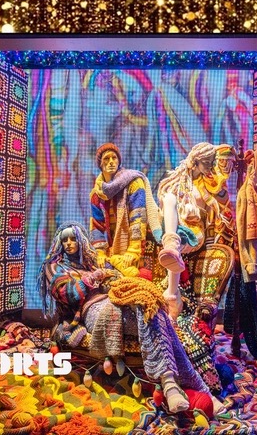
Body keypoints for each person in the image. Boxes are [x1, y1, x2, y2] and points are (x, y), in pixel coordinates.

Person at [38, 222, 215, 413]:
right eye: (64, 240)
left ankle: (171, 384)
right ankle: (191, 387)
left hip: (112, 300)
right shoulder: (54, 267)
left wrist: (111, 277)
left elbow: (114, 278)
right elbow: (66, 294)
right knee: (148, 308)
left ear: (81, 241)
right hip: (91, 311)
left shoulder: (90, 261)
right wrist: (91, 278)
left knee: (149, 304)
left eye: (73, 239)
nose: (69, 243)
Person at [156, 142, 235, 318]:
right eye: (206, 163)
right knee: (169, 199)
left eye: (211, 163)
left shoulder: (209, 185)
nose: (209, 167)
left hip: (193, 233)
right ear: (195, 161)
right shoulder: (177, 182)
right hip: (173, 229)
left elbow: (221, 210)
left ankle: (172, 290)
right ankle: (173, 294)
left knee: (177, 243)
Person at [89, 143, 161, 278]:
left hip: (142, 244)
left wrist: (133, 250)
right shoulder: (97, 194)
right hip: (115, 247)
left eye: (114, 158)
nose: (111, 162)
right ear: (100, 164)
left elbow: (138, 218)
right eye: (106, 159)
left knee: (142, 277)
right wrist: (100, 253)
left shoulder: (133, 182)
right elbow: (97, 226)